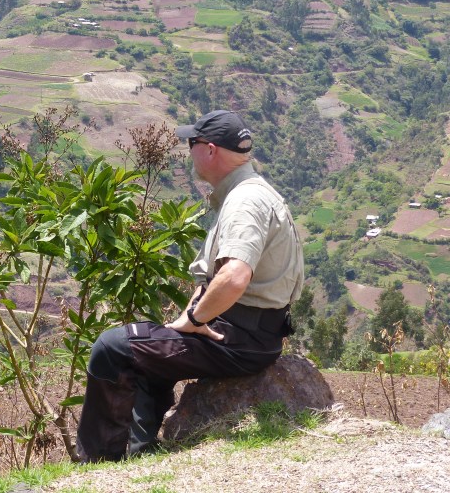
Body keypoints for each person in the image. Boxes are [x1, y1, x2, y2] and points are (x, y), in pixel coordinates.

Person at [75, 109, 304, 462]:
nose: (188, 150)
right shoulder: (247, 192)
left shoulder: (245, 201)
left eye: (191, 143)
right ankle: (140, 454)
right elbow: (218, 276)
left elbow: (234, 277)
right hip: (249, 332)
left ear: (210, 150)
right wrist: (187, 320)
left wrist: (195, 320)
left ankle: (99, 464)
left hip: (238, 339)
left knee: (112, 347)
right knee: (148, 349)